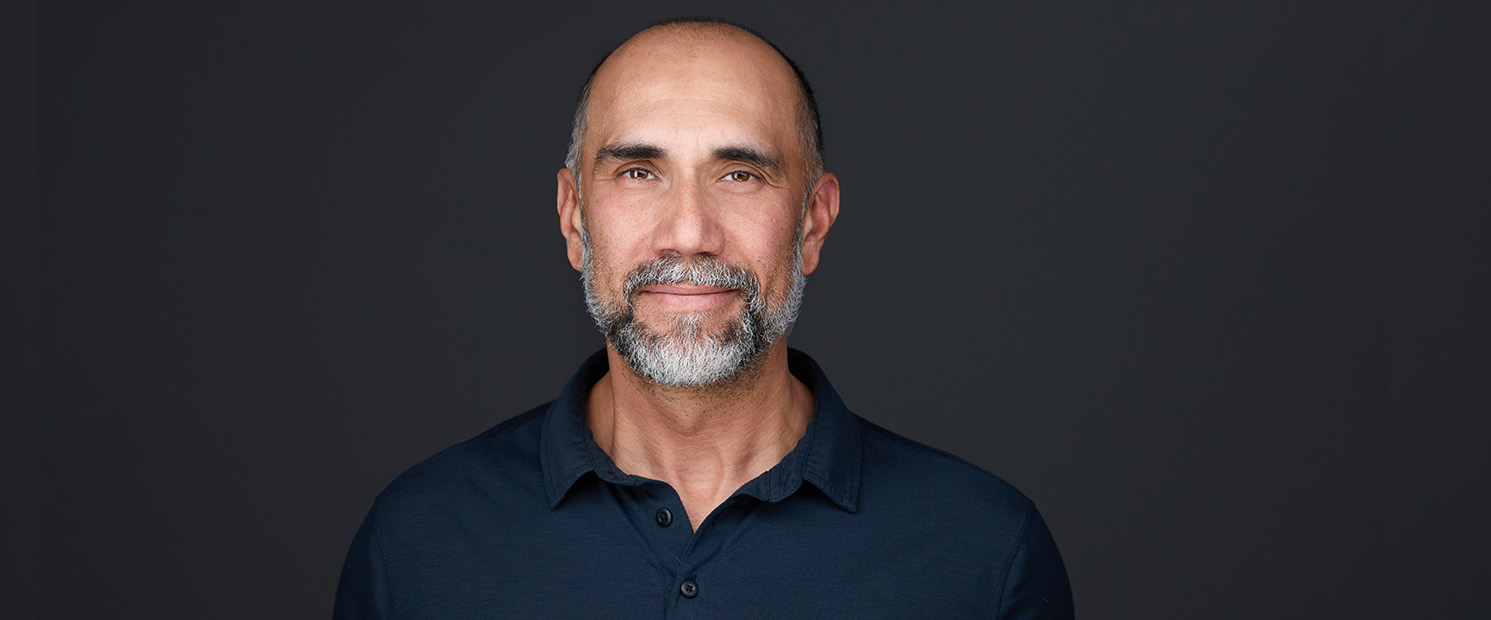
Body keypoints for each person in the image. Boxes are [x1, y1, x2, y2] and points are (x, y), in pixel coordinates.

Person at [335, 17, 1072, 619]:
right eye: (637, 172)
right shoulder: (418, 542)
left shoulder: (984, 554)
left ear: (812, 224)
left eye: (740, 175)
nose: (688, 231)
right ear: (573, 218)